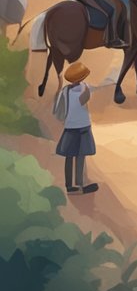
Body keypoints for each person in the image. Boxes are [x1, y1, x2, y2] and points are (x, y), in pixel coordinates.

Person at [54, 61, 99, 194]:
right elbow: (86, 97)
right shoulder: (85, 88)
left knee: (71, 156)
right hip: (82, 126)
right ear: (81, 78)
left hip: (71, 126)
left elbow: (59, 109)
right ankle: (78, 185)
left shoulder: (65, 91)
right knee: (80, 156)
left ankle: (72, 186)